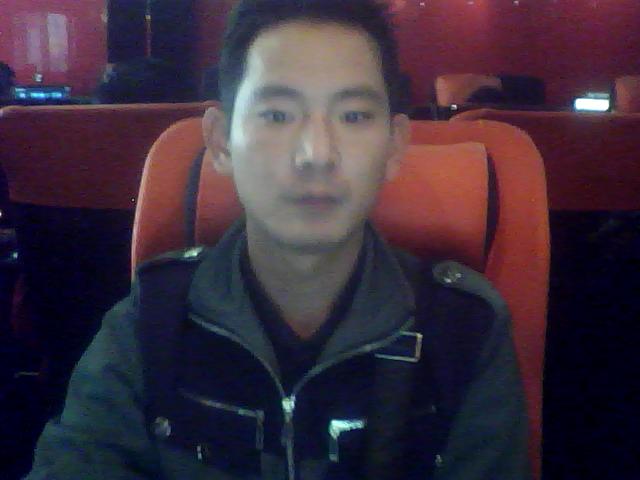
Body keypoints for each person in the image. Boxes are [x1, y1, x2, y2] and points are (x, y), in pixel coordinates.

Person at [26, 0, 529, 479]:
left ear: (395, 146)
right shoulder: (150, 320)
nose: (316, 154)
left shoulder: (465, 330)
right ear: (221, 142)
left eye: (353, 116)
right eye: (277, 115)